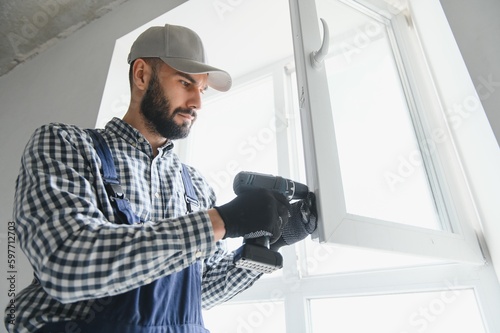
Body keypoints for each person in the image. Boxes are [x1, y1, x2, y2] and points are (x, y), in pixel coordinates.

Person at [4, 24, 316, 333]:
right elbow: (66, 263)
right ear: (141, 75)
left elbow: (200, 291)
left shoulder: (194, 187)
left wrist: (267, 246)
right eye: (185, 83)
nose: (197, 103)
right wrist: (220, 221)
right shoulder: (67, 145)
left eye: (202, 90)